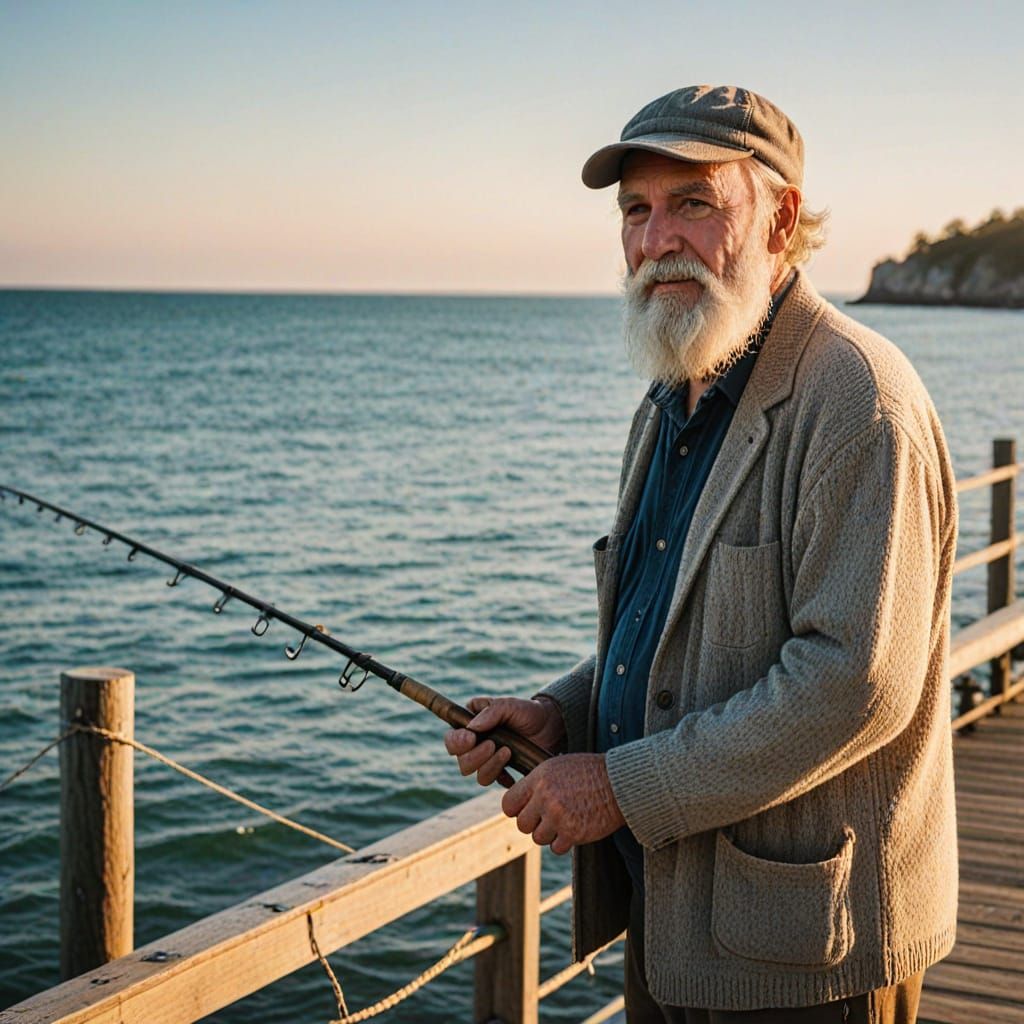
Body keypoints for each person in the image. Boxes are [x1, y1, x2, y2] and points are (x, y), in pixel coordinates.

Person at [444, 85, 958, 1023]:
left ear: (781, 219)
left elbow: (855, 683)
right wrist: (568, 710)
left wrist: (620, 785)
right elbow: (676, 627)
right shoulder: (675, 394)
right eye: (635, 211)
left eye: (694, 204)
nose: (655, 241)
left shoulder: (859, 401)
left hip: (807, 952)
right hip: (677, 921)